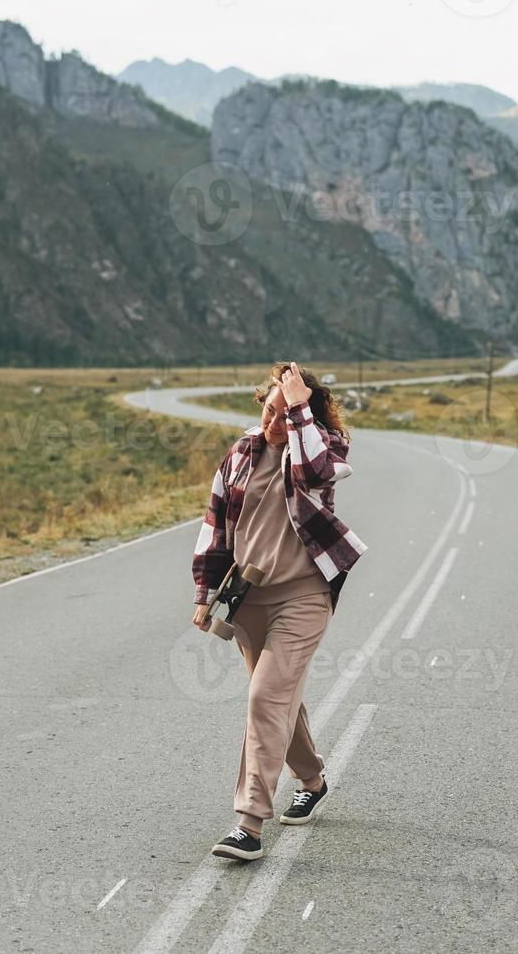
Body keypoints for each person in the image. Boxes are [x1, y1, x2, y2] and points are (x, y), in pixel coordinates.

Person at [191, 361, 367, 861]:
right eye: (268, 410)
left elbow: (313, 474)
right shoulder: (242, 453)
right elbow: (216, 527)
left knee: (266, 696)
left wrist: (297, 409)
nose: (272, 423)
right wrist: (204, 594)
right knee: (278, 699)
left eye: (282, 413)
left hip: (305, 596)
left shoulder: (324, 448)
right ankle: (311, 778)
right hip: (249, 600)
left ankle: (248, 824)